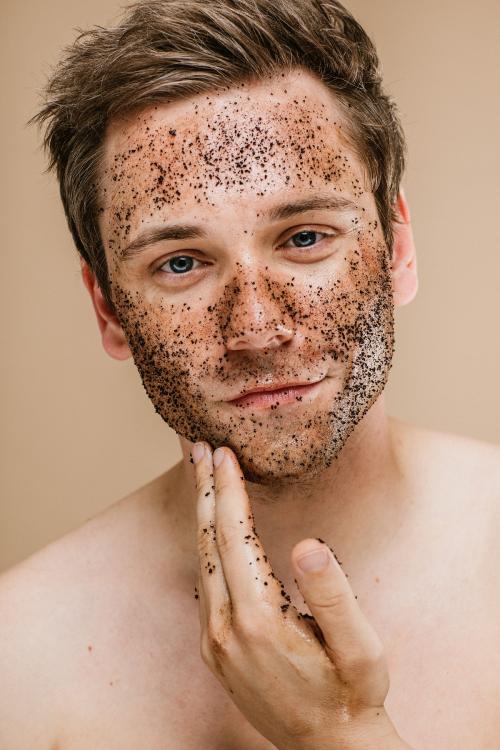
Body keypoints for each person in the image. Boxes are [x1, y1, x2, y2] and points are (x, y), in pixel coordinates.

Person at [1, 0, 499, 748]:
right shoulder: (20, 663)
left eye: (304, 238)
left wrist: (338, 734)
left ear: (397, 252)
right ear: (107, 309)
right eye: (180, 263)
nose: (257, 328)